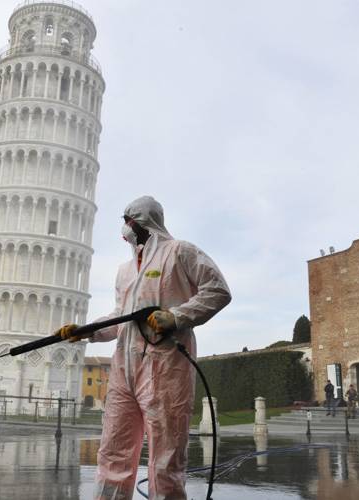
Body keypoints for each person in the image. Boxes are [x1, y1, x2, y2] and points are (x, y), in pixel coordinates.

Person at [56, 196, 231, 500]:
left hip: (166, 367)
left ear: (144, 221)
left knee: (166, 455)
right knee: (114, 451)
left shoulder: (179, 252)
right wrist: (86, 331)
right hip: (124, 371)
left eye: (129, 220)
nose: (125, 228)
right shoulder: (125, 271)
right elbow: (121, 318)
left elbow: (218, 290)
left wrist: (176, 316)